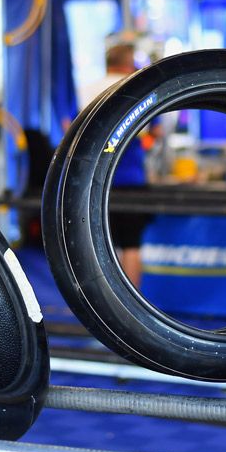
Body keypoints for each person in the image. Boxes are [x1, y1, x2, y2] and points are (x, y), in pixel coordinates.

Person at [80, 43, 151, 286]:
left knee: (100, 248)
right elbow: (151, 134)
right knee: (131, 246)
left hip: (94, 183)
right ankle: (130, 312)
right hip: (130, 181)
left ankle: (106, 308)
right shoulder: (140, 90)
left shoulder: (86, 90)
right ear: (130, 63)